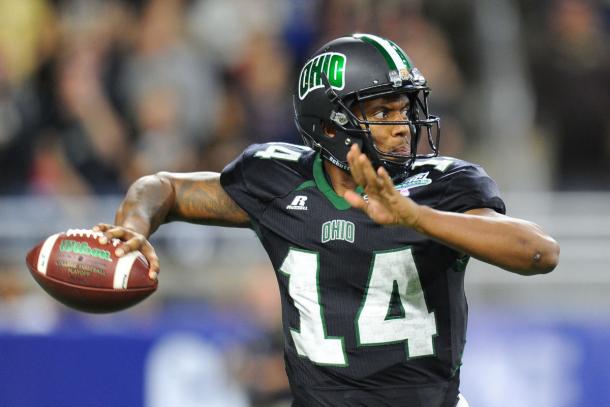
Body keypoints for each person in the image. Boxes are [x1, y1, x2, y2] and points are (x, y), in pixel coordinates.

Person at [94, 34, 559, 407]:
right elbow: (164, 187)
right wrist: (135, 226)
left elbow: (540, 252)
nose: (402, 127)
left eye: (404, 109)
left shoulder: (443, 184)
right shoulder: (276, 180)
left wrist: (416, 217)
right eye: (382, 112)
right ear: (331, 125)